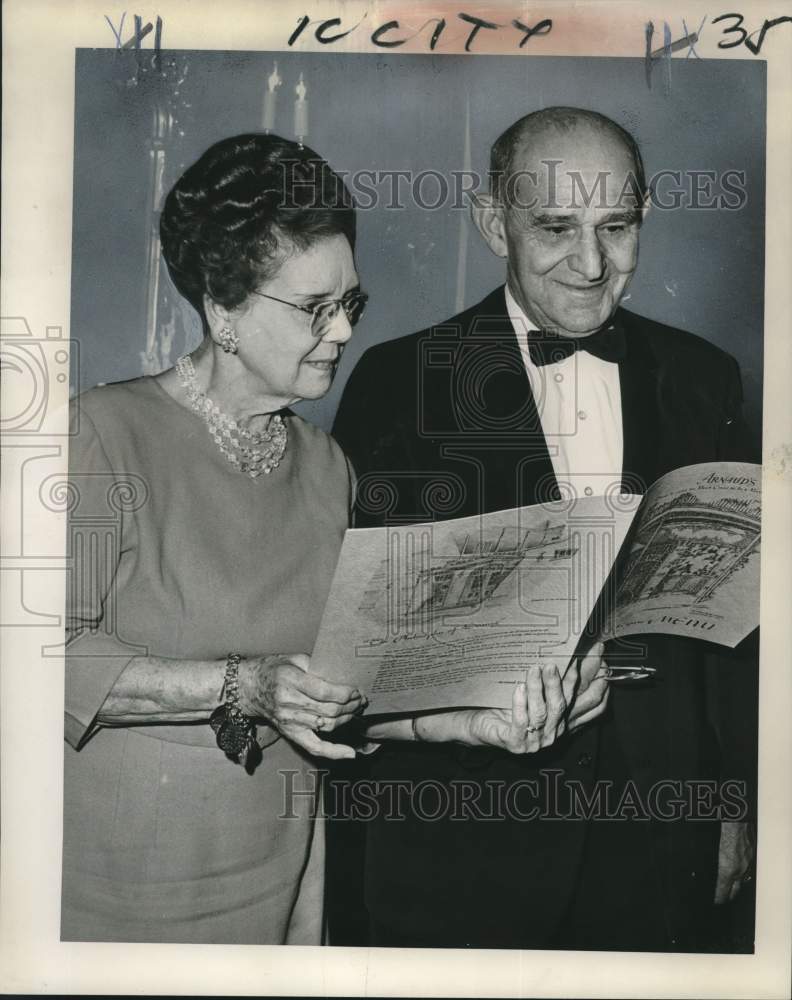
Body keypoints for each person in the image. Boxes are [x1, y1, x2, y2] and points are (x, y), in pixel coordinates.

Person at [62, 131, 606, 945]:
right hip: (121, 886)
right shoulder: (100, 432)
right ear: (223, 307)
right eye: (314, 308)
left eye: (351, 303)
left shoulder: (328, 468)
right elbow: (39, 659)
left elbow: (344, 690)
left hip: (288, 884)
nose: (344, 331)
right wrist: (242, 686)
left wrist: (466, 723)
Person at [332, 107, 759, 950]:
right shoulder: (400, 382)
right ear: (494, 223)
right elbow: (353, 647)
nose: (592, 263)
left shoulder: (705, 379)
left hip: (659, 835)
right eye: (556, 227)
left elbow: (736, 641)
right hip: (465, 840)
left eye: (617, 228)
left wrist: (733, 803)